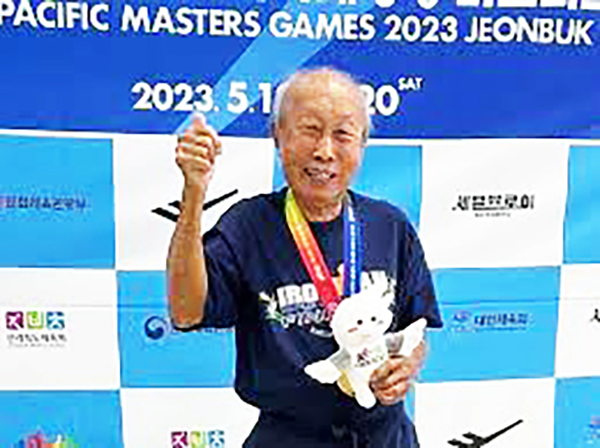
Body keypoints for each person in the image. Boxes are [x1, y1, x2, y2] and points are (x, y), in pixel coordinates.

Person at [167, 67, 443, 448]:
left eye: (343, 134)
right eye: (310, 130)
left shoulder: (390, 225)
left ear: (362, 143)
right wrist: (194, 193)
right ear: (278, 136)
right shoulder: (247, 226)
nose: (325, 151)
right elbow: (186, 311)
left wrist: (406, 365)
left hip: (385, 437)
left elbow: (416, 328)